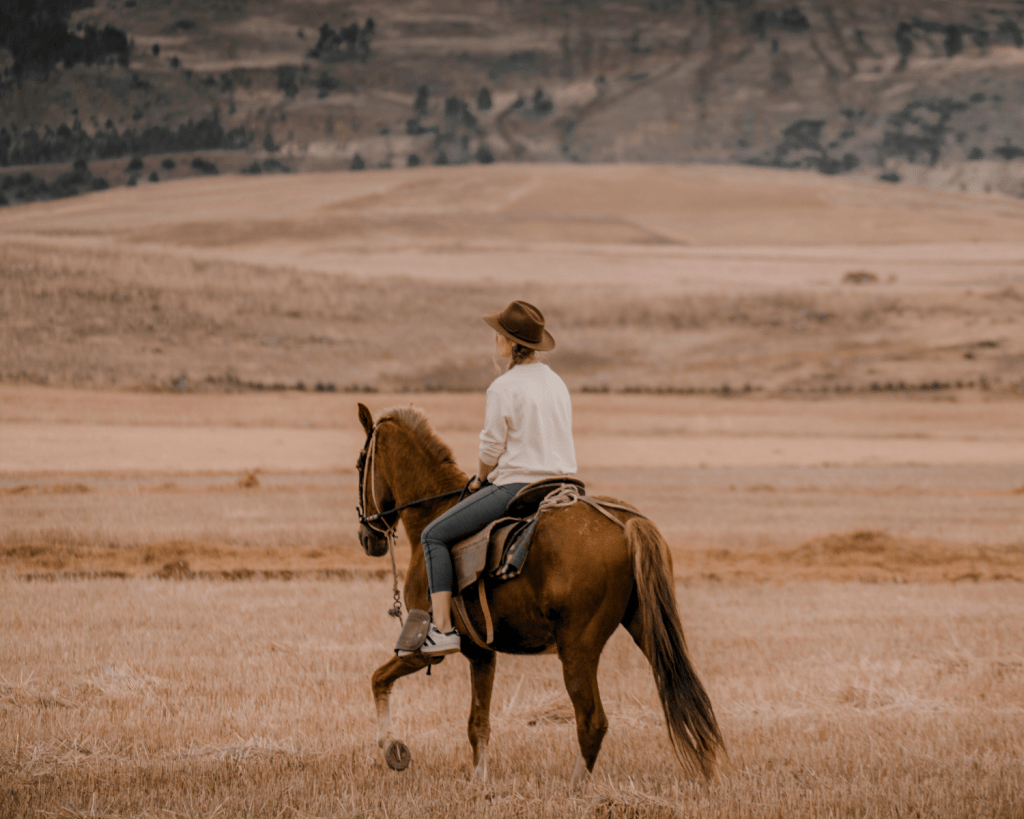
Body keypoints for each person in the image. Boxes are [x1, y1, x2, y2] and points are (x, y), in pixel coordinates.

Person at [418, 300, 577, 655]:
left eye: (499, 335)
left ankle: (442, 630)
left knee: (434, 536)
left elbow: (491, 448)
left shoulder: (503, 387)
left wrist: (479, 478)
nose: (495, 340)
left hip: (519, 487)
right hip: (563, 485)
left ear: (511, 343)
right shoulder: (557, 383)